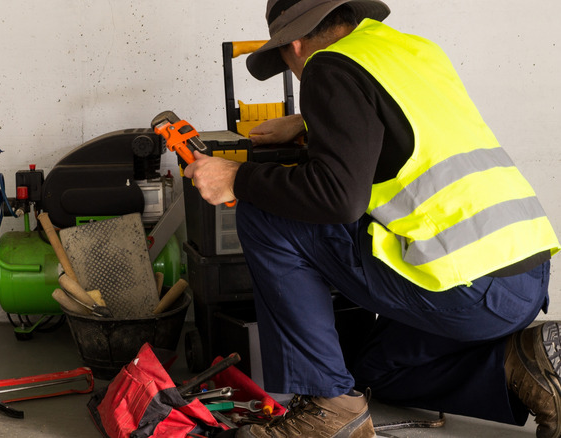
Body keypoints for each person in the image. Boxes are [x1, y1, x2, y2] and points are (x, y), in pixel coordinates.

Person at [183, 1, 561, 437]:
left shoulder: (328, 66)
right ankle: (526, 361)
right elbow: (405, 125)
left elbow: (338, 199)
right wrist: (311, 122)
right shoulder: (412, 50)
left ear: (297, 43)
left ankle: (329, 408)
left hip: (466, 288)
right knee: (377, 370)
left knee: (262, 212)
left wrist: (238, 177)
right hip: (525, 279)